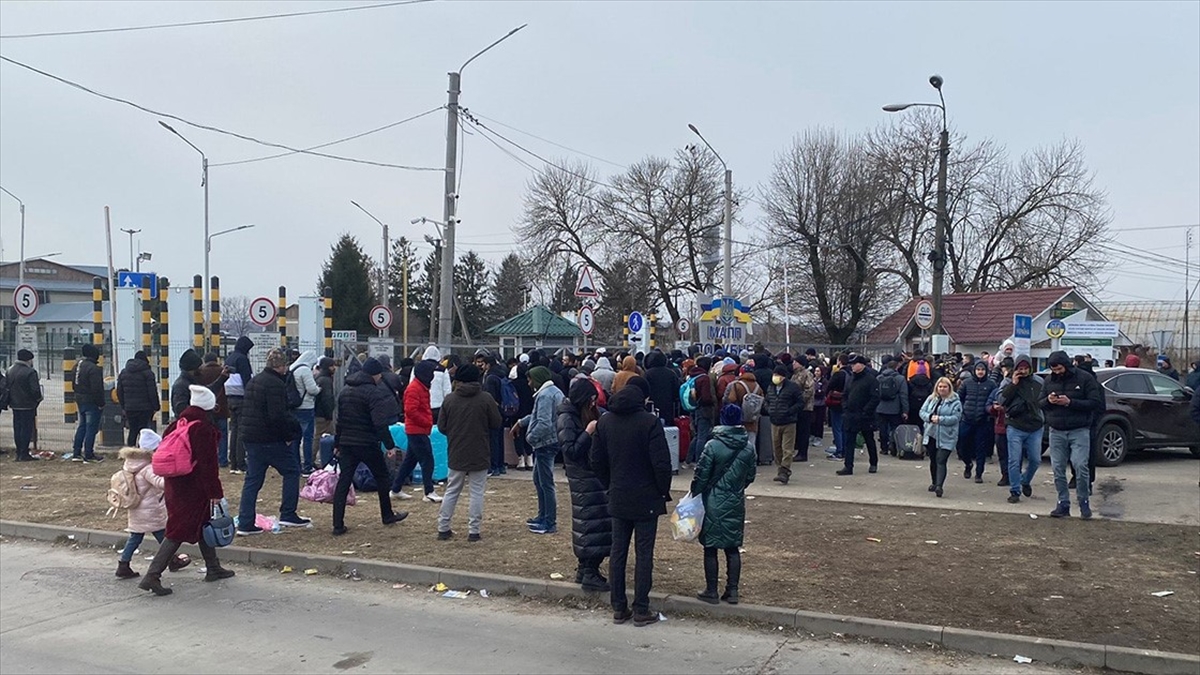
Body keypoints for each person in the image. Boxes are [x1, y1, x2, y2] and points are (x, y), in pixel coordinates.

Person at [590, 375, 671, 627]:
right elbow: (662, 463)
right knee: (644, 553)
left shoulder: (605, 422)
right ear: (643, 398)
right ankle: (641, 608)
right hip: (647, 497)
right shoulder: (649, 422)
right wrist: (662, 491)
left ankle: (618, 606)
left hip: (618, 494)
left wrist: (609, 485)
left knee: (618, 551)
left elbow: (597, 461)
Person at [138, 385, 234, 596]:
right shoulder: (202, 429)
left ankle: (213, 567)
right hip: (194, 487)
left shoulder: (177, 424)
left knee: (201, 524)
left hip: (175, 484)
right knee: (176, 531)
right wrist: (215, 493)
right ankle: (152, 576)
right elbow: (208, 466)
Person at [235, 349, 311, 535]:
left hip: (251, 438)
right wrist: (288, 436)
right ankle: (288, 513)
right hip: (269, 439)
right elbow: (278, 415)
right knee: (292, 471)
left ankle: (245, 522)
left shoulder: (255, 381)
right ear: (281, 366)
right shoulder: (275, 385)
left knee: (253, 479)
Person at [330, 356, 407, 536]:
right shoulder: (373, 393)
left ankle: (337, 524)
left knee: (344, 481)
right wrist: (389, 445)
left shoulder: (346, 390)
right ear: (375, 374)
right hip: (367, 442)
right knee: (382, 477)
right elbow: (379, 423)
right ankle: (387, 515)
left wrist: (337, 443)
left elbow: (339, 421)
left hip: (347, 443)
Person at [691, 404, 755, 605]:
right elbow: (750, 476)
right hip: (735, 499)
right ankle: (732, 590)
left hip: (712, 499)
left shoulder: (713, 445)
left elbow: (702, 474)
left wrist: (696, 492)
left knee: (710, 546)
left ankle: (711, 590)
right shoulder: (748, 447)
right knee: (732, 546)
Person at [436, 364, 503, 542]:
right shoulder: (486, 399)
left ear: (458, 380)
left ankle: (443, 527)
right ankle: (474, 531)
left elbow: (442, 427)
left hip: (456, 450)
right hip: (480, 450)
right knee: (477, 492)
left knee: (452, 490)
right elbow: (496, 422)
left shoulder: (450, 399)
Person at [557, 378, 612, 592]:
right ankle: (589, 571)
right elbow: (570, 451)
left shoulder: (576, 414)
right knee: (590, 521)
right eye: (591, 399)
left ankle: (586, 569)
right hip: (582, 476)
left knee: (593, 520)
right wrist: (588, 433)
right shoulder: (567, 417)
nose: (593, 403)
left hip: (590, 476)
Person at [114, 429, 190, 579]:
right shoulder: (147, 467)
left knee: (136, 537)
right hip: (151, 509)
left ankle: (123, 563)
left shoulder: (130, 464)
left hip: (136, 507)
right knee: (164, 536)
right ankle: (172, 559)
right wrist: (173, 479)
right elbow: (159, 482)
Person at [1041, 351, 1104, 519]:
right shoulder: (1049, 380)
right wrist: (1048, 400)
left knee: (1080, 465)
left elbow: (1095, 402)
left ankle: (1083, 502)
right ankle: (1063, 503)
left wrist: (1070, 402)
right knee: (1058, 468)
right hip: (1056, 430)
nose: (1057, 372)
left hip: (1079, 429)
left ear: (1067, 365)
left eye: (1059, 369)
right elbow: (1040, 403)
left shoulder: (1085, 378)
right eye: (1053, 369)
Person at [514, 366, 565, 534]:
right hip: (551, 440)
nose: (529, 383)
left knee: (546, 483)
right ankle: (543, 516)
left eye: (530, 379)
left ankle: (549, 521)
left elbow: (543, 422)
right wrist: (522, 422)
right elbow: (539, 416)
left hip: (545, 443)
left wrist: (530, 438)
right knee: (539, 481)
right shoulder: (555, 392)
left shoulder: (544, 395)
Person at [389, 358, 442, 502]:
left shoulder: (421, 387)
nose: (433, 376)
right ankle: (429, 492)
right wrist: (427, 422)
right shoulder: (414, 389)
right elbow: (410, 411)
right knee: (427, 460)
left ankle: (396, 489)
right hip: (417, 430)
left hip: (418, 429)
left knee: (410, 462)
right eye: (431, 372)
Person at [1000, 354, 1044, 503]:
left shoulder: (1038, 382)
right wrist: (1013, 384)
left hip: (1035, 426)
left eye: (1026, 368)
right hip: (1015, 425)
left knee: (1035, 459)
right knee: (1014, 460)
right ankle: (1015, 490)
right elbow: (1001, 400)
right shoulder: (1007, 381)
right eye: (1020, 368)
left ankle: (1025, 480)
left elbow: (1042, 401)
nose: (1023, 371)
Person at [919, 377, 962, 498]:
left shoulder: (955, 402)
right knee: (933, 459)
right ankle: (934, 482)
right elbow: (922, 411)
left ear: (949, 388)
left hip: (947, 435)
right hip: (931, 434)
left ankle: (939, 486)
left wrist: (941, 419)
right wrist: (929, 417)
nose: (942, 389)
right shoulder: (931, 399)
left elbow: (956, 418)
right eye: (940, 387)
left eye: (945, 387)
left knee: (941, 460)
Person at [838, 355, 880, 476]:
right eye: (851, 364)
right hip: (851, 415)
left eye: (854, 364)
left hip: (865, 417)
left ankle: (873, 463)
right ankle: (848, 466)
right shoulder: (851, 378)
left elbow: (875, 398)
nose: (852, 366)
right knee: (850, 441)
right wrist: (845, 407)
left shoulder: (871, 379)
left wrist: (865, 411)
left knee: (869, 439)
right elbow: (845, 394)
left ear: (861, 365)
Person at [957, 361, 998, 483]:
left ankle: (979, 473)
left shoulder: (991, 384)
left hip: (983, 421)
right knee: (962, 445)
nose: (980, 372)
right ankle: (968, 464)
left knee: (981, 449)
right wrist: (963, 410)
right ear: (974, 370)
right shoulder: (966, 383)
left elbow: (994, 399)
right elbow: (959, 398)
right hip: (966, 420)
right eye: (978, 369)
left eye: (983, 370)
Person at [764, 365, 802, 484]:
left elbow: (800, 402)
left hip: (788, 422)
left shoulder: (792, 387)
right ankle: (781, 469)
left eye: (778, 375)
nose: (775, 377)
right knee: (777, 449)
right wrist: (769, 409)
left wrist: (789, 411)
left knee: (787, 449)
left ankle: (784, 471)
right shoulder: (771, 387)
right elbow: (767, 400)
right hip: (775, 421)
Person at [223, 336, 255, 474]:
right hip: (242, 398)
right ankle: (241, 463)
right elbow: (247, 379)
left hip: (230, 397)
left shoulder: (229, 358)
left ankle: (233, 462)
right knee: (242, 430)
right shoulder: (242, 359)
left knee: (234, 429)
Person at [287, 350, 322, 476]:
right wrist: (319, 389)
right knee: (307, 438)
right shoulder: (305, 370)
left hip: (293, 406)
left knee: (295, 438)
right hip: (306, 406)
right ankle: (307, 466)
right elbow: (312, 389)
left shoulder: (293, 367)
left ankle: (295, 464)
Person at [116, 350, 160, 447]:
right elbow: (152, 392)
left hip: (130, 408)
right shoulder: (148, 373)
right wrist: (156, 406)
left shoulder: (123, 373)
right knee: (144, 432)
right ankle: (143, 452)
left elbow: (119, 391)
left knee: (132, 431)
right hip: (145, 408)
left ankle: (130, 453)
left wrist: (124, 406)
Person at [5, 350, 42, 462]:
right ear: (29, 359)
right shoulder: (30, 372)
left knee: (18, 428)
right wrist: (37, 400)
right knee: (26, 429)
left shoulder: (10, 370)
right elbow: (35, 390)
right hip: (27, 405)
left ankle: (19, 452)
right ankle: (24, 453)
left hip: (15, 404)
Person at [72, 343, 105, 462]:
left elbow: (73, 385)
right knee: (91, 428)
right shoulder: (94, 369)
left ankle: (76, 452)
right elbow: (97, 389)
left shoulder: (77, 366)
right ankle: (89, 454)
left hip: (80, 399)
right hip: (91, 401)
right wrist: (101, 403)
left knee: (82, 426)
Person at [196, 353, 230, 468]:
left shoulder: (200, 372)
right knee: (223, 435)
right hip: (222, 407)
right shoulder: (222, 371)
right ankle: (223, 459)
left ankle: (210, 458)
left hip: (206, 408)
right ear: (216, 360)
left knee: (208, 435)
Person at [685, 357, 717, 467]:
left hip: (694, 408)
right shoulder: (704, 378)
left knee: (698, 435)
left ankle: (689, 459)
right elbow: (706, 397)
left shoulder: (692, 376)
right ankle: (699, 461)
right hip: (704, 409)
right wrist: (713, 401)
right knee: (702, 436)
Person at [724, 364, 764, 451]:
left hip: (739, 419)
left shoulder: (736, 385)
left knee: (738, 442)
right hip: (753, 419)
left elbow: (731, 399)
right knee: (751, 441)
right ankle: (751, 460)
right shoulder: (757, 386)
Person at [875, 358, 909, 457]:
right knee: (895, 428)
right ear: (897, 367)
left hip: (881, 407)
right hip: (895, 408)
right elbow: (904, 395)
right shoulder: (900, 378)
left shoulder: (879, 378)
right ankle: (893, 446)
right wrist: (905, 410)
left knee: (883, 428)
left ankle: (884, 448)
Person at [643, 351, 681, 427]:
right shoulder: (671, 373)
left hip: (652, 407)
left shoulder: (647, 374)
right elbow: (676, 391)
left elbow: (644, 390)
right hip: (668, 407)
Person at [313, 357, 338, 467]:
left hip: (320, 413)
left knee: (329, 436)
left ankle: (329, 459)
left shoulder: (320, 378)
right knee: (319, 437)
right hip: (323, 415)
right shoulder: (326, 380)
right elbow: (327, 399)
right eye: (332, 366)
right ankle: (310, 459)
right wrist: (329, 415)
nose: (334, 368)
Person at [790, 356, 815, 462]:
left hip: (805, 407)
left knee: (803, 431)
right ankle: (799, 451)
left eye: (795, 362)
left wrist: (800, 400)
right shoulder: (795, 374)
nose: (793, 364)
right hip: (796, 406)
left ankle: (803, 453)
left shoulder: (806, 374)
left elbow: (809, 390)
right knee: (798, 430)